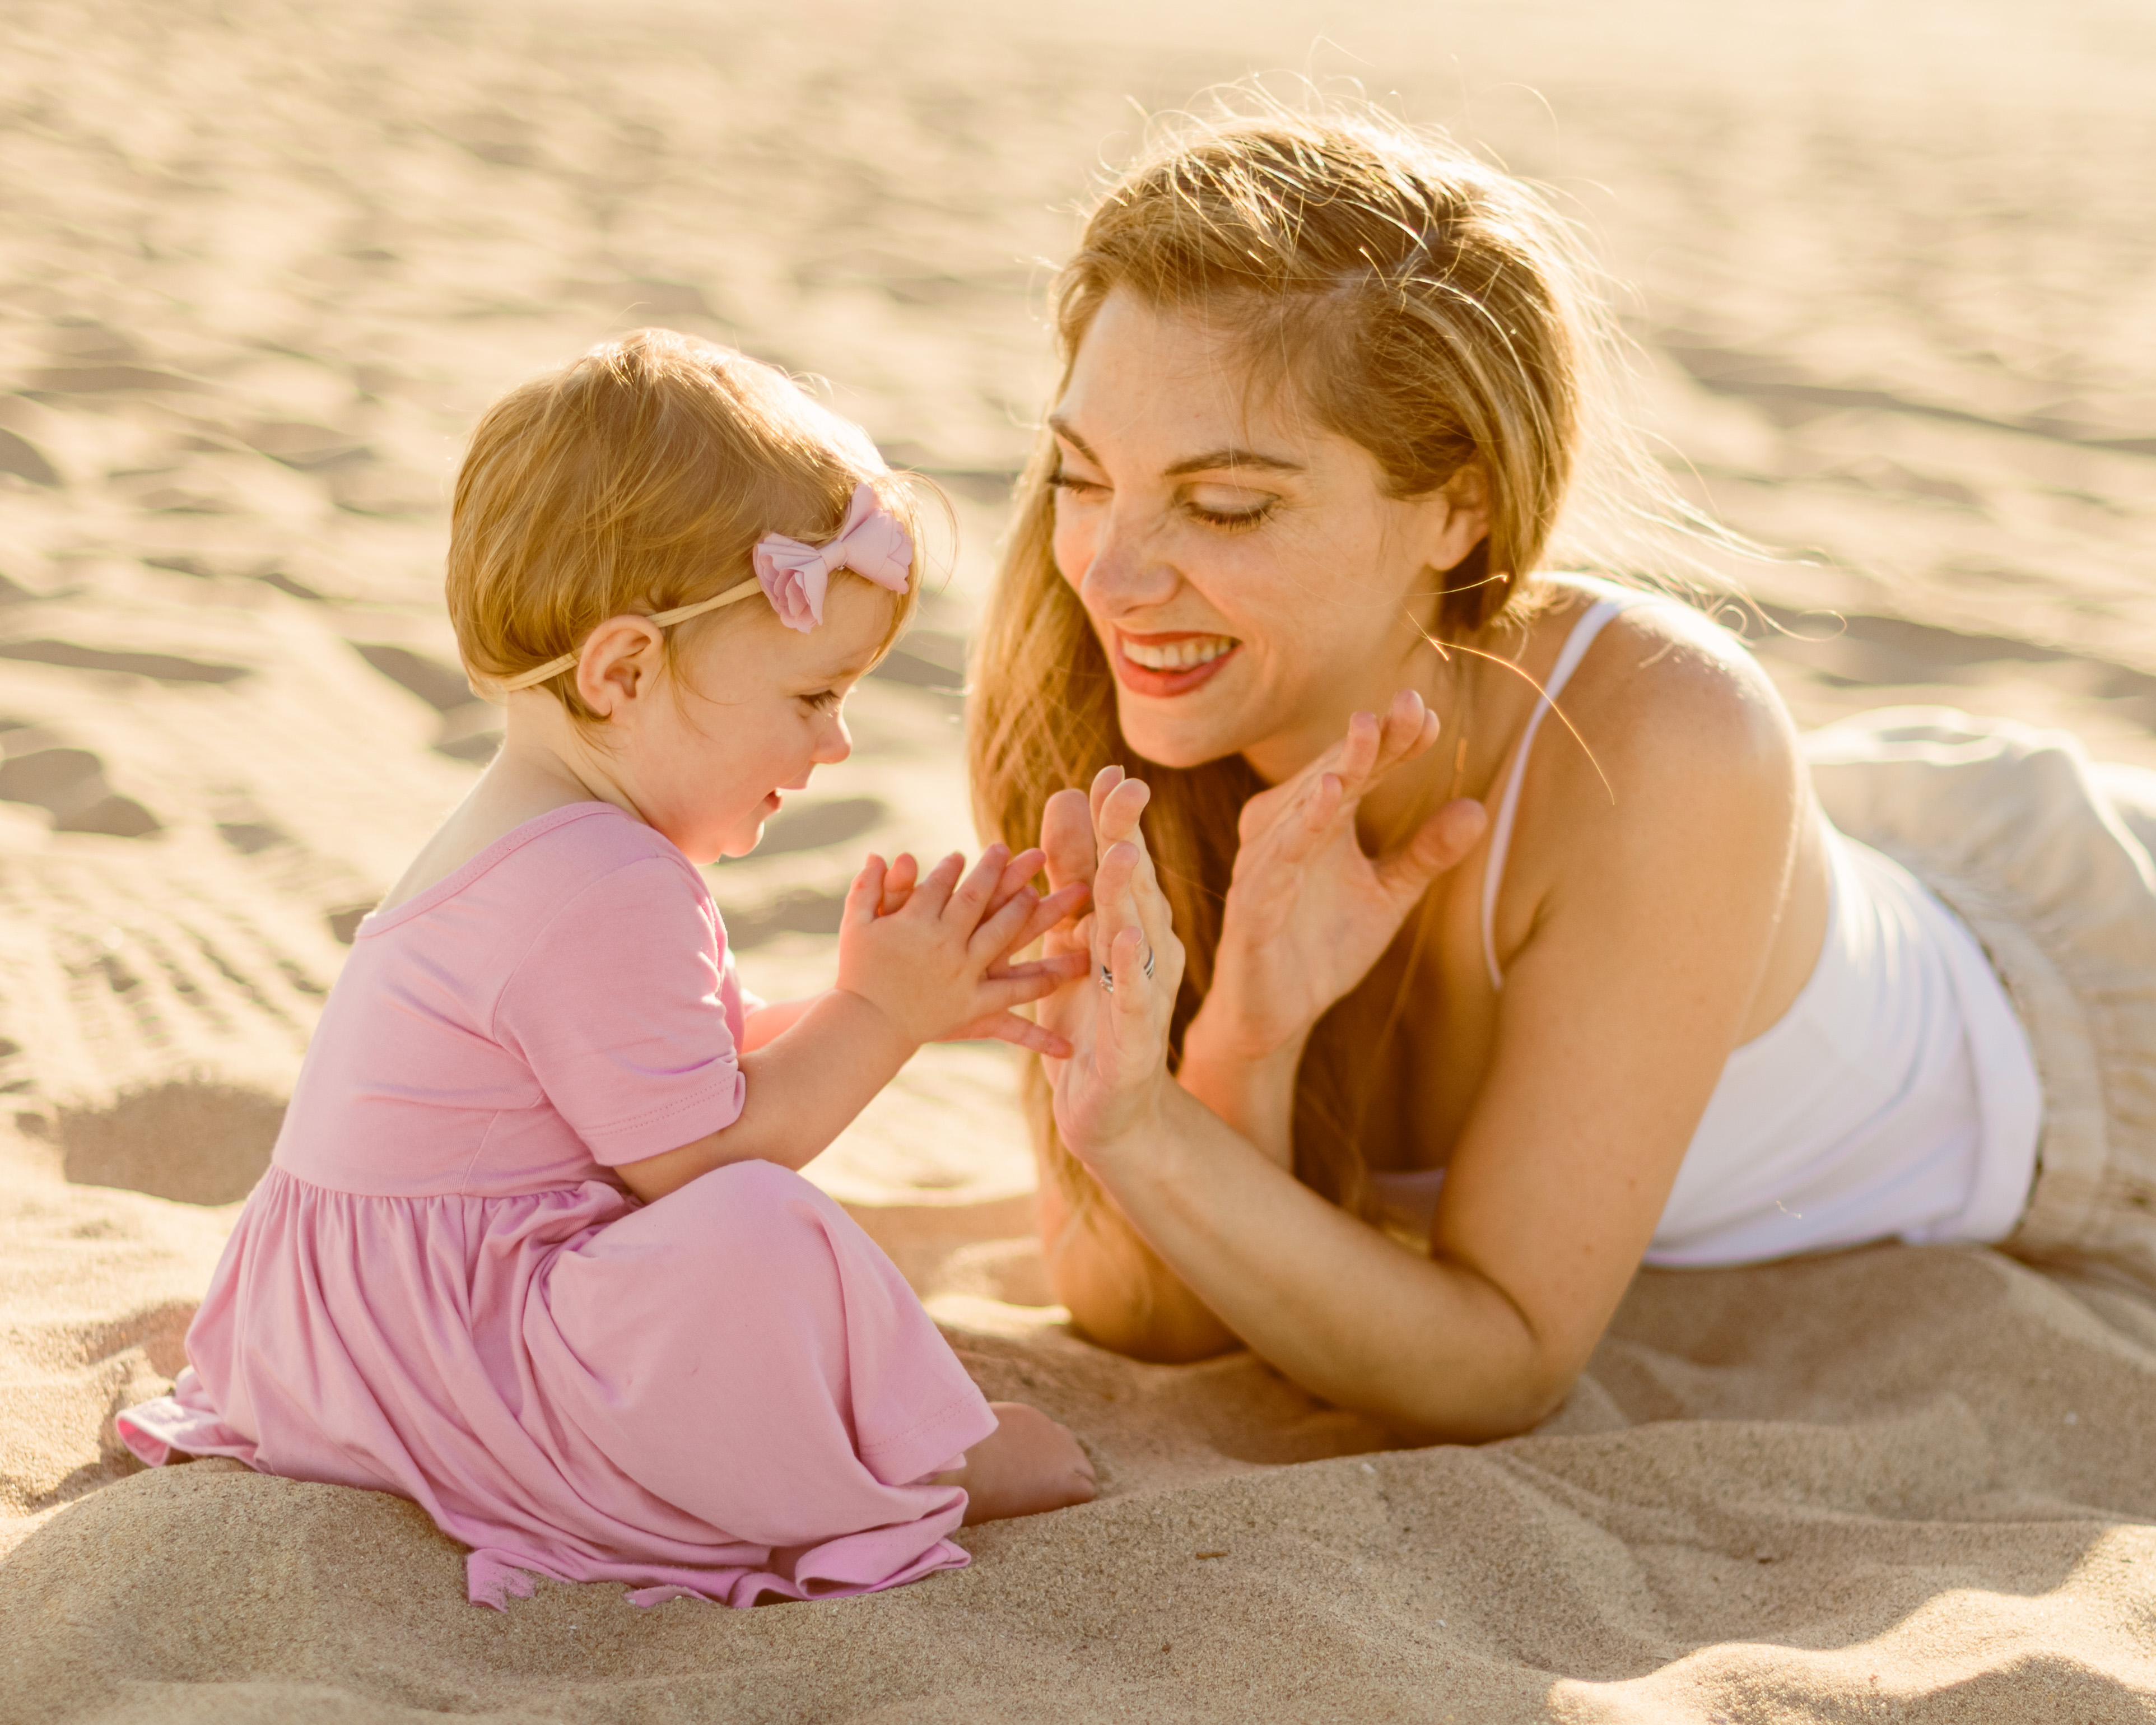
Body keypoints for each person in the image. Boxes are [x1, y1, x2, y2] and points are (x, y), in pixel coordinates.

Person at [968, 107, 2156, 1444]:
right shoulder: (1084, 708)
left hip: (2091, 1032)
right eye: (1082, 478)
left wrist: (1150, 1127)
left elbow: (1501, 1364)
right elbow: (1148, 1309)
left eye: (1225, 505)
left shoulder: (1660, 739)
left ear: (1458, 504)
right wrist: (1243, 1047)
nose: (1112, 575)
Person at [118, 331, 1097, 1609]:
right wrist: (877, 1014)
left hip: (345, 1356)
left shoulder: (528, 829)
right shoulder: (601, 879)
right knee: (759, 1231)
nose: (839, 743)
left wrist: (902, 999)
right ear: (624, 670)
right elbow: (700, 1158)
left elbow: (672, 1067)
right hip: (468, 1370)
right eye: (813, 696)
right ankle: (917, 1468)